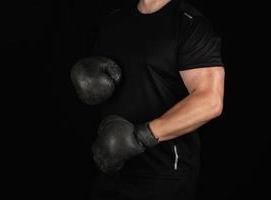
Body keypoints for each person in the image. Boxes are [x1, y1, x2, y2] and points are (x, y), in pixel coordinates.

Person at [72, 0, 225, 199]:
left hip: (163, 175)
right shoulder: (114, 20)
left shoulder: (189, 24)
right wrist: (87, 83)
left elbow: (209, 101)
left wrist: (140, 136)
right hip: (112, 166)